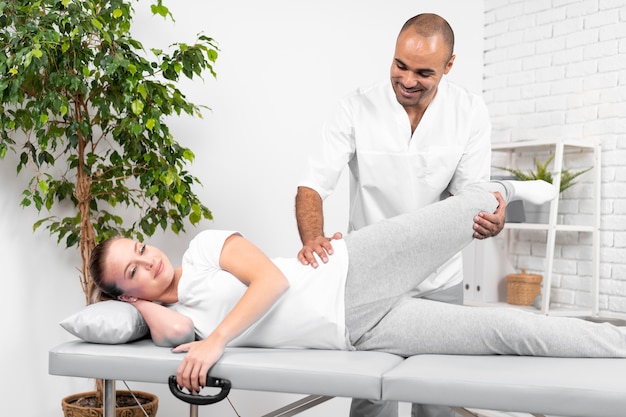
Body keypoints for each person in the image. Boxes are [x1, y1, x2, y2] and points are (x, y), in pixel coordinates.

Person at [90, 180, 626, 399]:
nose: (148, 259)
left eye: (140, 248)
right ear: (124, 295)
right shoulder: (181, 324)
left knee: (469, 211)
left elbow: (272, 280)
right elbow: (173, 333)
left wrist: (216, 342)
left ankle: (507, 187)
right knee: (509, 332)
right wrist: (139, 307)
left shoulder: (205, 248)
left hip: (353, 269)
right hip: (359, 333)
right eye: (132, 272)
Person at [295, 13, 502, 417]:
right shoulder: (355, 108)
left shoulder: (469, 112)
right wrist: (312, 239)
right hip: (372, 277)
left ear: (449, 65)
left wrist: (492, 215)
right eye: (399, 65)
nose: (407, 80)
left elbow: (472, 195)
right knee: (373, 399)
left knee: (438, 399)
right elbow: (312, 186)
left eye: (424, 72)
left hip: (439, 278)